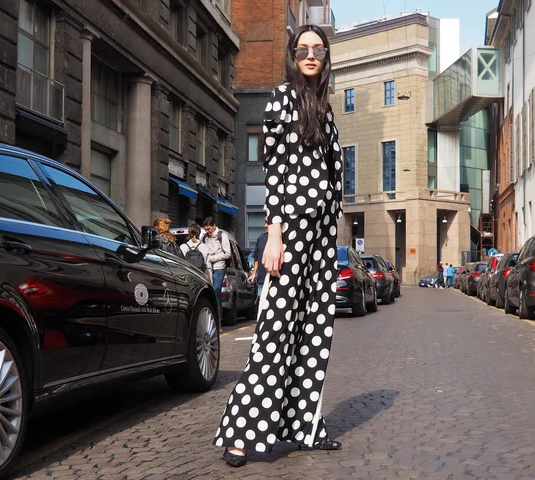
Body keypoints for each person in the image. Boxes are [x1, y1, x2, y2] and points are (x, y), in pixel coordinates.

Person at [214, 24, 344, 467]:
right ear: (292, 54)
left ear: (326, 58)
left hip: (323, 235)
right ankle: (240, 433)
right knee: (275, 332)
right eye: (303, 49)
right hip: (291, 231)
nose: (310, 55)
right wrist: (273, 233)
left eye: (318, 50)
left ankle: (304, 424)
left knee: (313, 332)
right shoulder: (282, 98)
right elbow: (275, 171)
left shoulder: (322, 108)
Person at [202, 217, 231, 316]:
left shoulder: (222, 235)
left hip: (219, 268)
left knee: (216, 290)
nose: (207, 231)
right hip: (208, 268)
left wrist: (212, 258)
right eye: (205, 229)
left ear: (214, 226)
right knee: (209, 292)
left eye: (208, 229)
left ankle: (218, 314)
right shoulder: (205, 237)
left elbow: (228, 254)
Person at [248, 217, 269, 302]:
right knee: (261, 300)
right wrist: (254, 273)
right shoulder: (261, 238)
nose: (265, 226)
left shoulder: (281, 239)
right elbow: (256, 257)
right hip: (262, 278)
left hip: (275, 278)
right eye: (265, 223)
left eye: (268, 223)